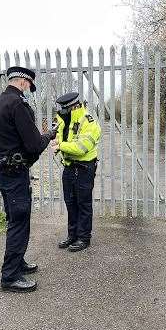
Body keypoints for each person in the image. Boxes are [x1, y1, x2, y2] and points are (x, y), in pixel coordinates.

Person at [0, 66, 57, 293]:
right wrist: (50, 134)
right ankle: (10, 276)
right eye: (29, 86)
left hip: (3, 170)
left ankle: (18, 262)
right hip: (15, 173)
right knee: (19, 222)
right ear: (25, 82)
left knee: (14, 217)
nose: (29, 90)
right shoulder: (18, 104)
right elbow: (34, 144)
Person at [51, 92, 101, 252]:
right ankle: (72, 235)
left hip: (84, 168)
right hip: (69, 167)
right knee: (70, 203)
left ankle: (84, 238)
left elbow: (82, 148)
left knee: (83, 204)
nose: (62, 111)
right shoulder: (64, 120)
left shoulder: (88, 121)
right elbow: (61, 138)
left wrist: (60, 146)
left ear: (74, 107)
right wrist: (57, 143)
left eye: (65, 108)